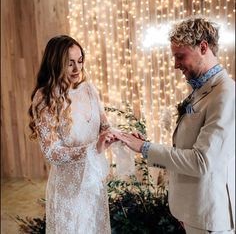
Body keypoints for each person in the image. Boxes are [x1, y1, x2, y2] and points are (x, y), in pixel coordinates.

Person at [116, 17, 235, 234]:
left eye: (180, 56)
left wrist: (144, 148)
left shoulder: (225, 94)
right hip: (193, 212)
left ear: (203, 47)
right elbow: (186, 146)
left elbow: (201, 162)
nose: (175, 64)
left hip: (209, 216)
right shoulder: (201, 89)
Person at [28, 35, 117, 234]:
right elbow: (52, 152)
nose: (77, 69)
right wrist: (93, 149)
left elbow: (105, 128)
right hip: (68, 192)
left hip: (93, 186)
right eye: (69, 64)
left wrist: (125, 136)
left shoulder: (90, 90)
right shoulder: (45, 98)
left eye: (80, 61)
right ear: (55, 64)